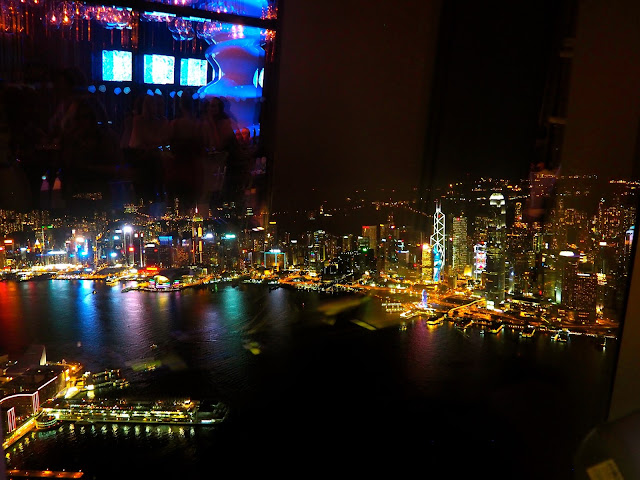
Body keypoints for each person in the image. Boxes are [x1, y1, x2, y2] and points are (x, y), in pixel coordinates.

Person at [165, 93, 206, 214]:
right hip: (194, 171)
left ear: (180, 105)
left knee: (176, 206)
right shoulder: (198, 125)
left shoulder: (174, 124)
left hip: (177, 169)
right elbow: (203, 147)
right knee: (191, 205)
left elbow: (167, 144)